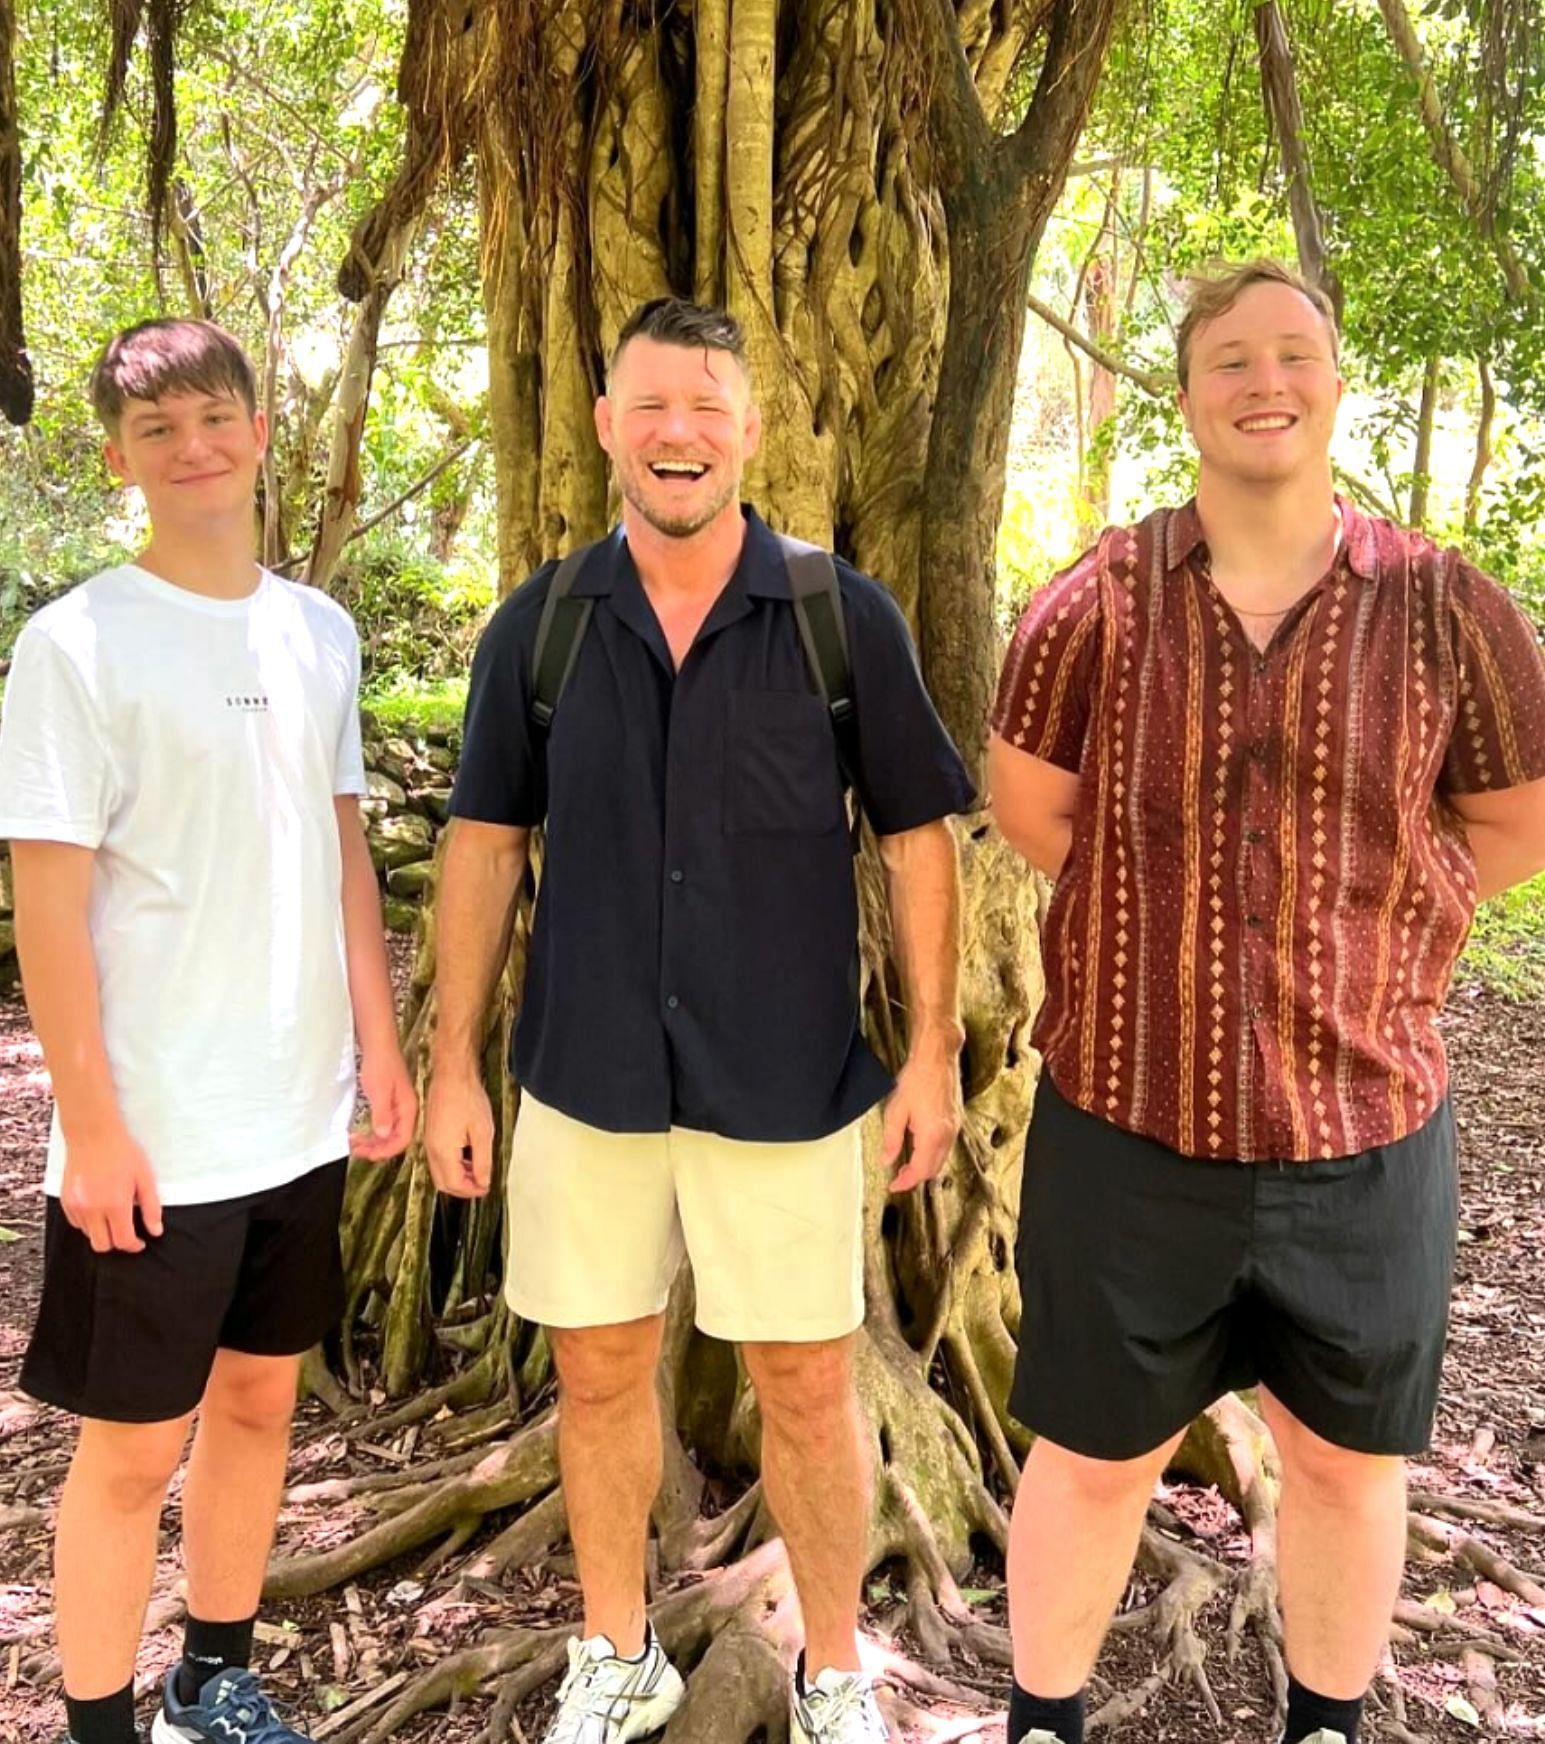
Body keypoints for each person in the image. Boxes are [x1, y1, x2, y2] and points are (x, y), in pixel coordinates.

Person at [989, 260, 1545, 1744]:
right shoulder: (1096, 601)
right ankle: (1041, 1722)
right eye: (1228, 360)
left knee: (1347, 1465)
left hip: (1359, 1126)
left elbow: (1509, 825)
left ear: (1334, 382)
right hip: (1125, 1121)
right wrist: (1160, 921)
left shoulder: (1444, 611)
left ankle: (1324, 1725)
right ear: (1184, 399)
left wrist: (1361, 924)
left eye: (1292, 354)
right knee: (1094, 1455)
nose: (1263, 381)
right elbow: (1032, 807)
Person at [424, 297, 975, 1744]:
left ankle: (836, 1669)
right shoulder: (540, 628)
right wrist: (450, 1071)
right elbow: (481, 847)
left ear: (749, 427)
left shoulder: (832, 615)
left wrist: (931, 1053)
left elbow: (919, 840)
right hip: (585, 1075)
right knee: (597, 1372)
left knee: (802, 1381)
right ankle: (614, 1657)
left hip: (784, 1081)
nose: (679, 433)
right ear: (606, 424)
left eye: (707, 406)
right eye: (650, 405)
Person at [0, 321, 416, 1744]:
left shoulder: (317, 629)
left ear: (257, 431)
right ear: (119, 459)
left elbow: (344, 852)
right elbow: (47, 904)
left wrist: (381, 1043)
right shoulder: (75, 645)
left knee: (256, 1405)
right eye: (159, 428)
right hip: (154, 1132)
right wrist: (95, 1126)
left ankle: (210, 1678)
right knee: (128, 1452)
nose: (194, 447)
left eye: (215, 417)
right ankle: (101, 1722)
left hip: (295, 1113)